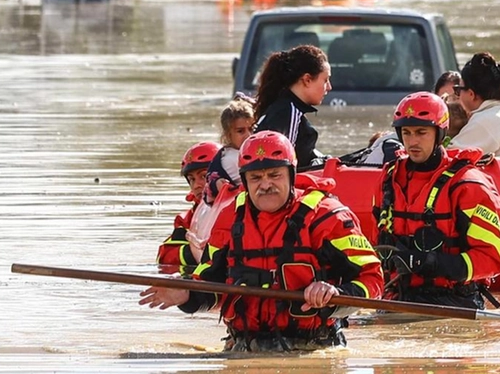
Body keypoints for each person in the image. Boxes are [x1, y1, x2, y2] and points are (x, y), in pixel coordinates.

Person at [139, 131, 384, 352]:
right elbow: (210, 282)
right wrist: (185, 294)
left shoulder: (327, 217)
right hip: (243, 345)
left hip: (313, 348)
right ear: (244, 182)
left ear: (291, 173)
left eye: (274, 175)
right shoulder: (229, 218)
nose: (265, 185)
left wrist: (335, 294)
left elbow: (373, 280)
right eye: (255, 178)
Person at [377, 93, 500, 309]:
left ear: (439, 134)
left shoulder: (469, 186)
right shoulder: (389, 178)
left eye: (421, 133)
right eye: (406, 133)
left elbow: (491, 260)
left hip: (455, 301)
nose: (413, 142)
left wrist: (431, 263)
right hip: (398, 296)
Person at [253, 44, 332, 172]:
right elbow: (280, 169)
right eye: (325, 80)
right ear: (307, 80)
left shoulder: (280, 106)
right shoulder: (288, 113)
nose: (329, 87)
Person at [158, 141, 222, 275]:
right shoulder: (187, 219)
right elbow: (164, 255)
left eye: (203, 176)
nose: (197, 185)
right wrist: (193, 252)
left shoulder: (242, 209)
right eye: (192, 179)